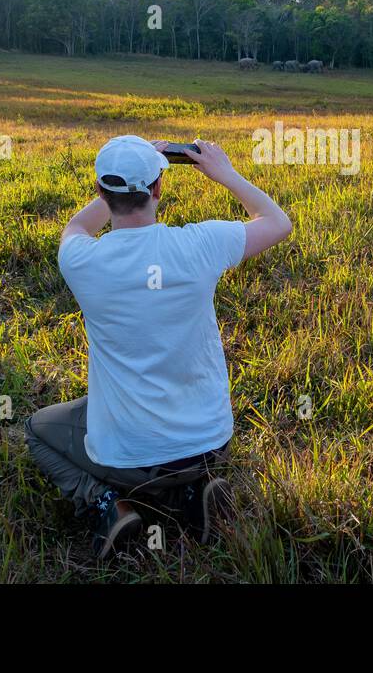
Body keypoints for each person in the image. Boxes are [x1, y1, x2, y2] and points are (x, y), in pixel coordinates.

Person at [24, 135, 292, 558]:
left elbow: (76, 227)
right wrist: (224, 173)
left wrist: (119, 182)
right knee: (173, 450)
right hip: (211, 442)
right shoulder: (200, 244)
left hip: (129, 455)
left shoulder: (80, 260)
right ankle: (189, 495)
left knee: (37, 430)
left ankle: (108, 505)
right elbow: (278, 222)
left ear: (99, 192)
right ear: (158, 190)